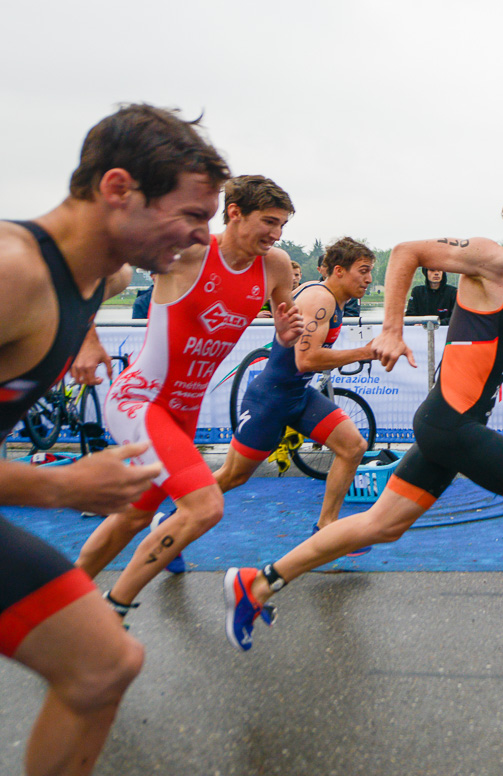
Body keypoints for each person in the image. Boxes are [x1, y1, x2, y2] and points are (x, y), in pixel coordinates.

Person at [221, 175, 503, 677]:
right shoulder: (493, 259)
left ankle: (257, 583)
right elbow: (407, 252)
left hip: (458, 423)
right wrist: (390, 329)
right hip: (450, 423)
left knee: (382, 525)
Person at [0, 103, 229, 776]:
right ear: (119, 189)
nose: (196, 239)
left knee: (105, 664)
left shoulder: (108, 274)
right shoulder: (12, 273)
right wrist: (64, 484)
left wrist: (86, 338)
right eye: (189, 216)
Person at [73, 176, 304, 627]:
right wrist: (85, 339)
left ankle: (58, 601)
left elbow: (284, 318)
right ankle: (110, 613)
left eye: (282, 226)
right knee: (204, 506)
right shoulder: (189, 251)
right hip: (141, 400)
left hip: (183, 414)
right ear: (234, 211)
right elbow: (94, 271)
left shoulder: (274, 265)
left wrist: (283, 333)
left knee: (134, 518)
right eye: (269, 222)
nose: (277, 235)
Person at [214, 236, 378, 542]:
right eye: (364, 270)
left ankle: (325, 527)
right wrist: (364, 352)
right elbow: (306, 360)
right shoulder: (321, 299)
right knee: (232, 476)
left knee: (353, 447)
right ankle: (174, 516)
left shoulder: (333, 300)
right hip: (271, 400)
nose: (369, 279)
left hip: (298, 396)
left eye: (370, 272)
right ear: (339, 271)